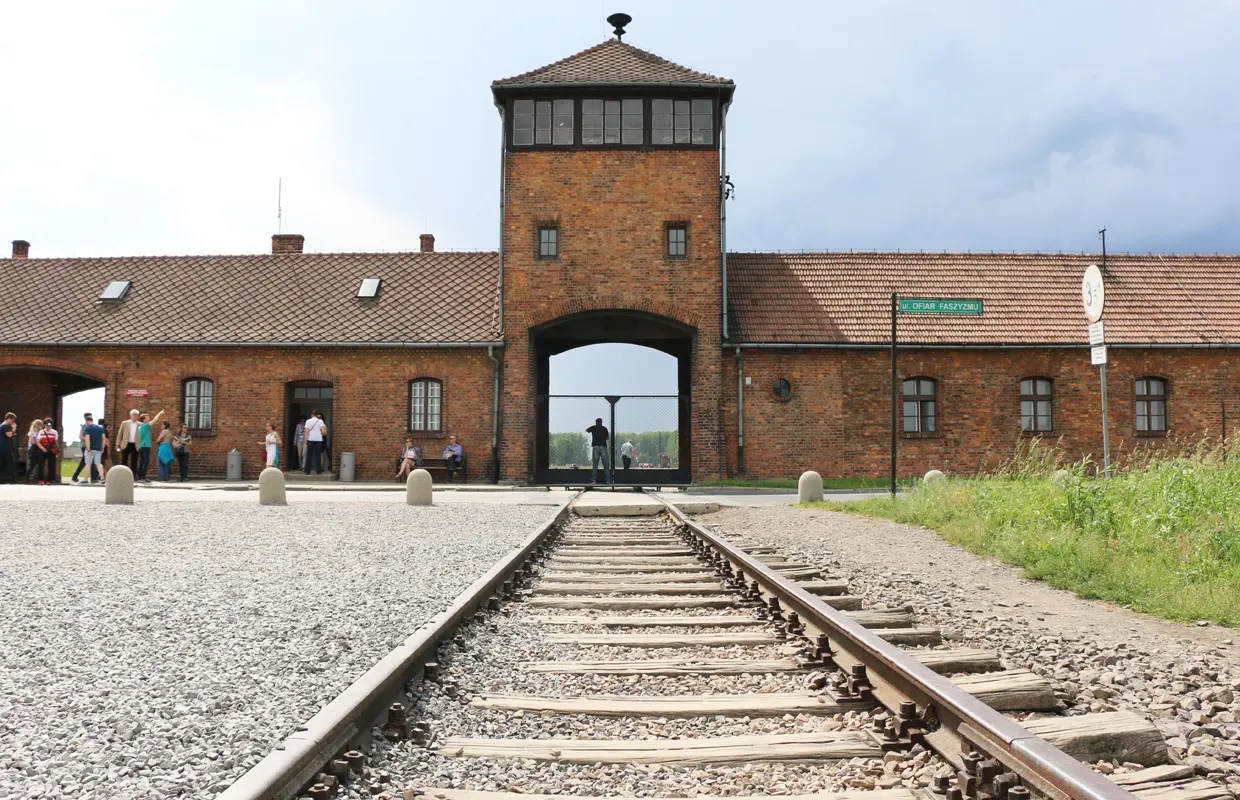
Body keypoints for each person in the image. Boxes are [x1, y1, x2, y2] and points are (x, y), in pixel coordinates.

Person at [135, 409, 166, 484]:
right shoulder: (145, 425)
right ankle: (143, 477)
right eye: (147, 417)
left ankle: (139, 477)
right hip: (145, 446)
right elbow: (155, 420)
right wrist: (160, 412)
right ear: (144, 419)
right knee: (146, 462)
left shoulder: (140, 427)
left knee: (142, 462)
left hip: (141, 446)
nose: (149, 418)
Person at [71, 412, 99, 484]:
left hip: (90, 446)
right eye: (89, 417)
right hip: (85, 446)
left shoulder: (92, 426)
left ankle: (75, 477)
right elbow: (80, 436)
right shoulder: (84, 426)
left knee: (84, 462)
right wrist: (88, 439)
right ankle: (94, 478)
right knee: (90, 462)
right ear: (86, 418)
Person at [81, 415, 108, 484]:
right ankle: (102, 478)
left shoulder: (88, 428)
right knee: (98, 463)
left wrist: (88, 449)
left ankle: (85, 479)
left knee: (88, 464)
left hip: (90, 449)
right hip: (99, 449)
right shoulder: (100, 428)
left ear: (87, 421)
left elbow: (87, 439)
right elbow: (103, 439)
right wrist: (102, 448)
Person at [586, 417, 612, 485]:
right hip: (603, 446)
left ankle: (593, 480)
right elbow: (607, 437)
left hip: (595, 446)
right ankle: (607, 480)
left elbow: (586, 430)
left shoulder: (593, 427)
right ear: (601, 422)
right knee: (605, 464)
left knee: (595, 464)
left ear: (596, 422)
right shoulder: (604, 428)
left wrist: (590, 430)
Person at [34, 418, 59, 485]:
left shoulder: (55, 432)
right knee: (41, 465)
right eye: (47, 425)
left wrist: (57, 450)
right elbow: (38, 442)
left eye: (50, 425)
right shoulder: (41, 432)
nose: (48, 427)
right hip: (42, 450)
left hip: (51, 450)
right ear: (44, 425)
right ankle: (40, 479)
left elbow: (56, 442)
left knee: (51, 466)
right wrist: (42, 448)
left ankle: (49, 480)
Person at [303, 410, 326, 474]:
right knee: (318, 456)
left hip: (310, 440)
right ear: (317, 414)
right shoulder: (320, 421)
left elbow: (306, 431)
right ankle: (318, 470)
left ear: (311, 414)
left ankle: (307, 470)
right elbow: (323, 430)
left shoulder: (308, 421)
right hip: (318, 440)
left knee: (309, 455)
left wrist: (305, 441)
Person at [0, 412, 16, 484]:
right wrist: (14, 429)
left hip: (3, 447)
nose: (13, 422)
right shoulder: (5, 426)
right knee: (10, 463)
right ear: (8, 419)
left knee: (3, 463)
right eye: (12, 420)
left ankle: (5, 479)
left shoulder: (2, 425)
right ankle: (11, 479)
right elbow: (9, 435)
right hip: (4, 448)